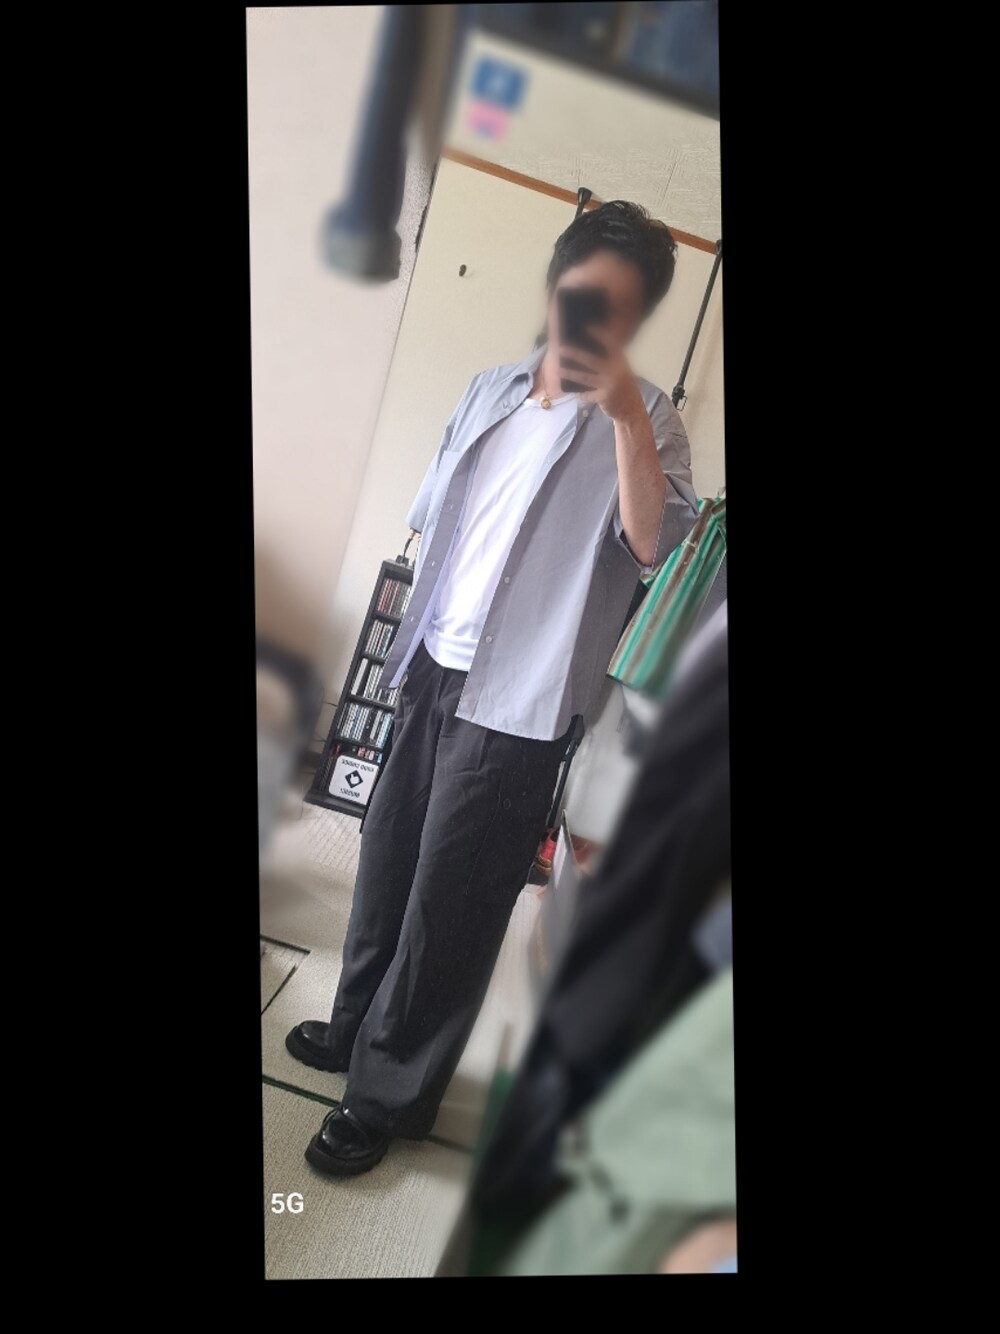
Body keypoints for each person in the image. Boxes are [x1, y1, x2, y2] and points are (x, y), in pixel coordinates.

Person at [285, 200, 700, 1176]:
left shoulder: (651, 419)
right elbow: (434, 511)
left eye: (620, 302)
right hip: (432, 661)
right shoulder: (490, 388)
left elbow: (657, 545)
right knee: (388, 858)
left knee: (456, 900)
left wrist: (624, 416)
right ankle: (353, 1026)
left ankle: (387, 1094)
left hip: (523, 697)